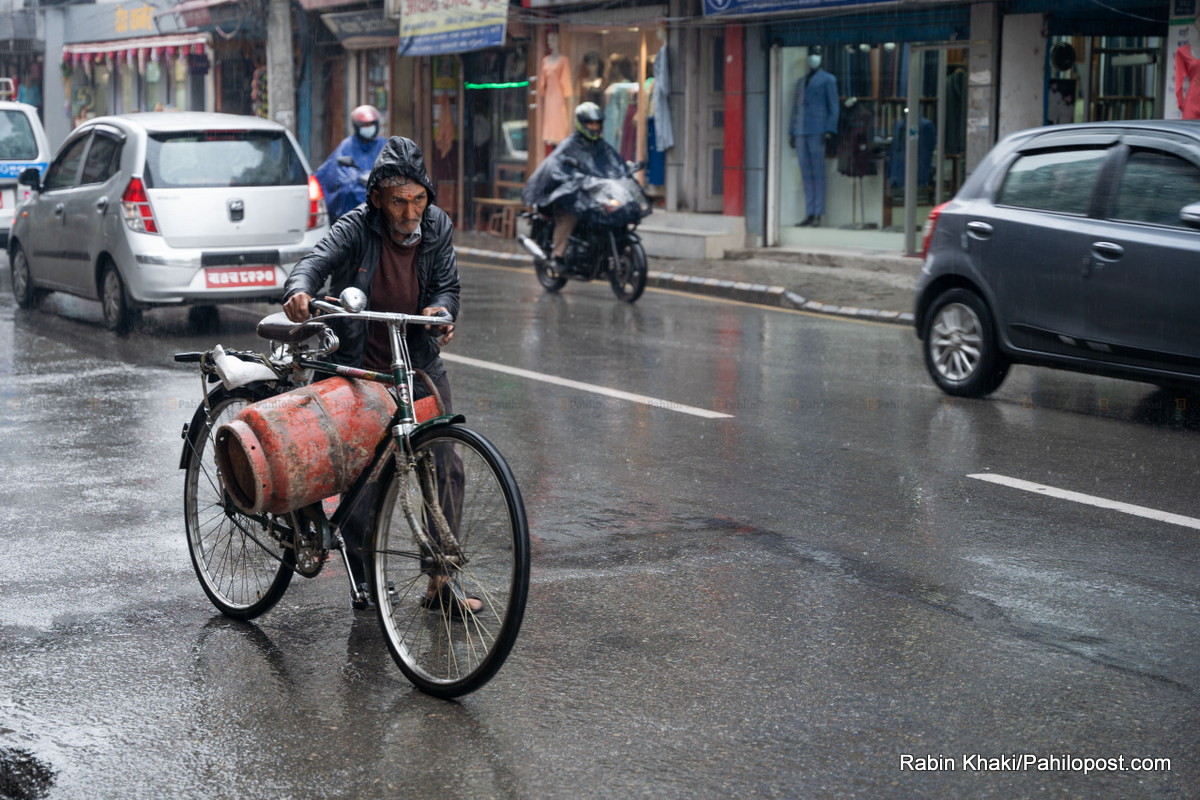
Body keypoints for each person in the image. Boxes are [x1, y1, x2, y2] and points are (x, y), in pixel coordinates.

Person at [282, 136, 477, 615]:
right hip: (360, 367)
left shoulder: (438, 227)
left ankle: (440, 579)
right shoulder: (356, 227)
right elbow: (313, 262)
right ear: (377, 200)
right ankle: (364, 572)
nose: (411, 212)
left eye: (418, 199)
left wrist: (441, 310)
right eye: (399, 202)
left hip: (417, 361)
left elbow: (448, 285)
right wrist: (300, 290)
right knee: (365, 475)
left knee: (445, 465)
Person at [522, 101, 625, 276]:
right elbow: (557, 165)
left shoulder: (601, 146)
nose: (594, 127)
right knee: (572, 213)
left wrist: (625, 170)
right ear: (582, 124)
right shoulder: (570, 144)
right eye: (590, 123)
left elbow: (613, 162)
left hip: (591, 192)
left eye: (597, 123)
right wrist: (572, 175)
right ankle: (558, 255)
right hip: (566, 193)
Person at [789, 48, 839, 227]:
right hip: (802, 131)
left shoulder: (828, 80)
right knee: (806, 174)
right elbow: (795, 109)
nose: (813, 58)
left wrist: (830, 130)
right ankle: (809, 212)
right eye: (811, 54)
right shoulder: (801, 82)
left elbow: (834, 106)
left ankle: (818, 212)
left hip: (818, 130)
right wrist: (792, 131)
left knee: (818, 173)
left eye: (816, 54)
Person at [314, 104, 386, 222]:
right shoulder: (347, 145)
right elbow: (338, 173)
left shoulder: (384, 145)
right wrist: (358, 177)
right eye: (364, 125)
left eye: (370, 124)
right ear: (357, 126)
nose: (368, 127)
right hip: (355, 201)